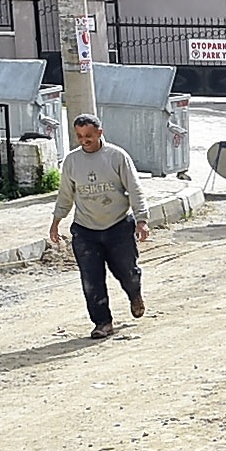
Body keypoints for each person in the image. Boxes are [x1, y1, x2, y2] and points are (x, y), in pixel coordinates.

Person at [47, 113, 149, 340]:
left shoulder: (116, 156)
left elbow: (134, 189)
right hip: (85, 230)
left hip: (118, 226)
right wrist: (56, 222)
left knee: (128, 273)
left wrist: (141, 220)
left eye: (89, 136)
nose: (84, 140)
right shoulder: (72, 162)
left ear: (99, 133)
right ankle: (102, 322)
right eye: (80, 136)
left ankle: (135, 295)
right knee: (91, 279)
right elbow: (65, 195)